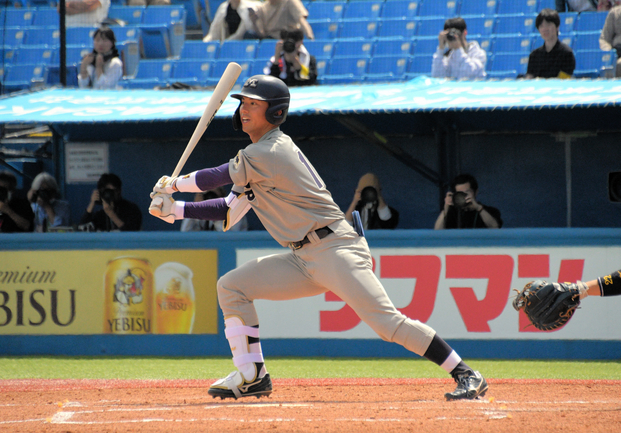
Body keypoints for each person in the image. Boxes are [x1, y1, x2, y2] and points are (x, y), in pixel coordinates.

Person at [149, 75, 489, 401]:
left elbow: (216, 176)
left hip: (335, 248)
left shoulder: (270, 151)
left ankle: (465, 373)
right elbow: (227, 208)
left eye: (254, 103)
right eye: (243, 103)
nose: (245, 109)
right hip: (302, 258)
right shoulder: (254, 159)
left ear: (275, 111)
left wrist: (174, 184)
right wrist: (175, 210)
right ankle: (251, 375)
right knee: (231, 287)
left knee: (387, 323)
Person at [434, 173, 502, 230]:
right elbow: (437, 231)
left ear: (476, 192)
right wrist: (445, 209)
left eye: (467, 192)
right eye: (460, 193)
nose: (463, 196)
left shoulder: (490, 211)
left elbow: (495, 228)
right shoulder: (452, 213)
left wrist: (478, 208)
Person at [526, 9, 576, 79]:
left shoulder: (567, 54)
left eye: (548, 24)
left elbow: (564, 80)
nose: (545, 29)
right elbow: (529, 79)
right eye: (541, 26)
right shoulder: (534, 55)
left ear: (557, 27)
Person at [180, 187, 249, 231]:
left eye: (213, 195)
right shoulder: (198, 212)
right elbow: (184, 232)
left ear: (222, 196)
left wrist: (216, 214)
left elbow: (231, 239)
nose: (210, 200)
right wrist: (194, 208)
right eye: (207, 195)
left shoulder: (234, 211)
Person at [245, 0, 314, 40]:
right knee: (248, 34)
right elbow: (262, 34)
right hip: (270, 38)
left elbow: (301, 20)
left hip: (287, 36)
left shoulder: (290, 1)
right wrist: (254, 21)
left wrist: (310, 36)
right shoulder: (263, 8)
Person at [599, 4, 621, 77]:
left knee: (619, 65)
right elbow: (604, 38)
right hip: (616, 51)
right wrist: (609, 52)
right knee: (608, 65)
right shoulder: (614, 13)